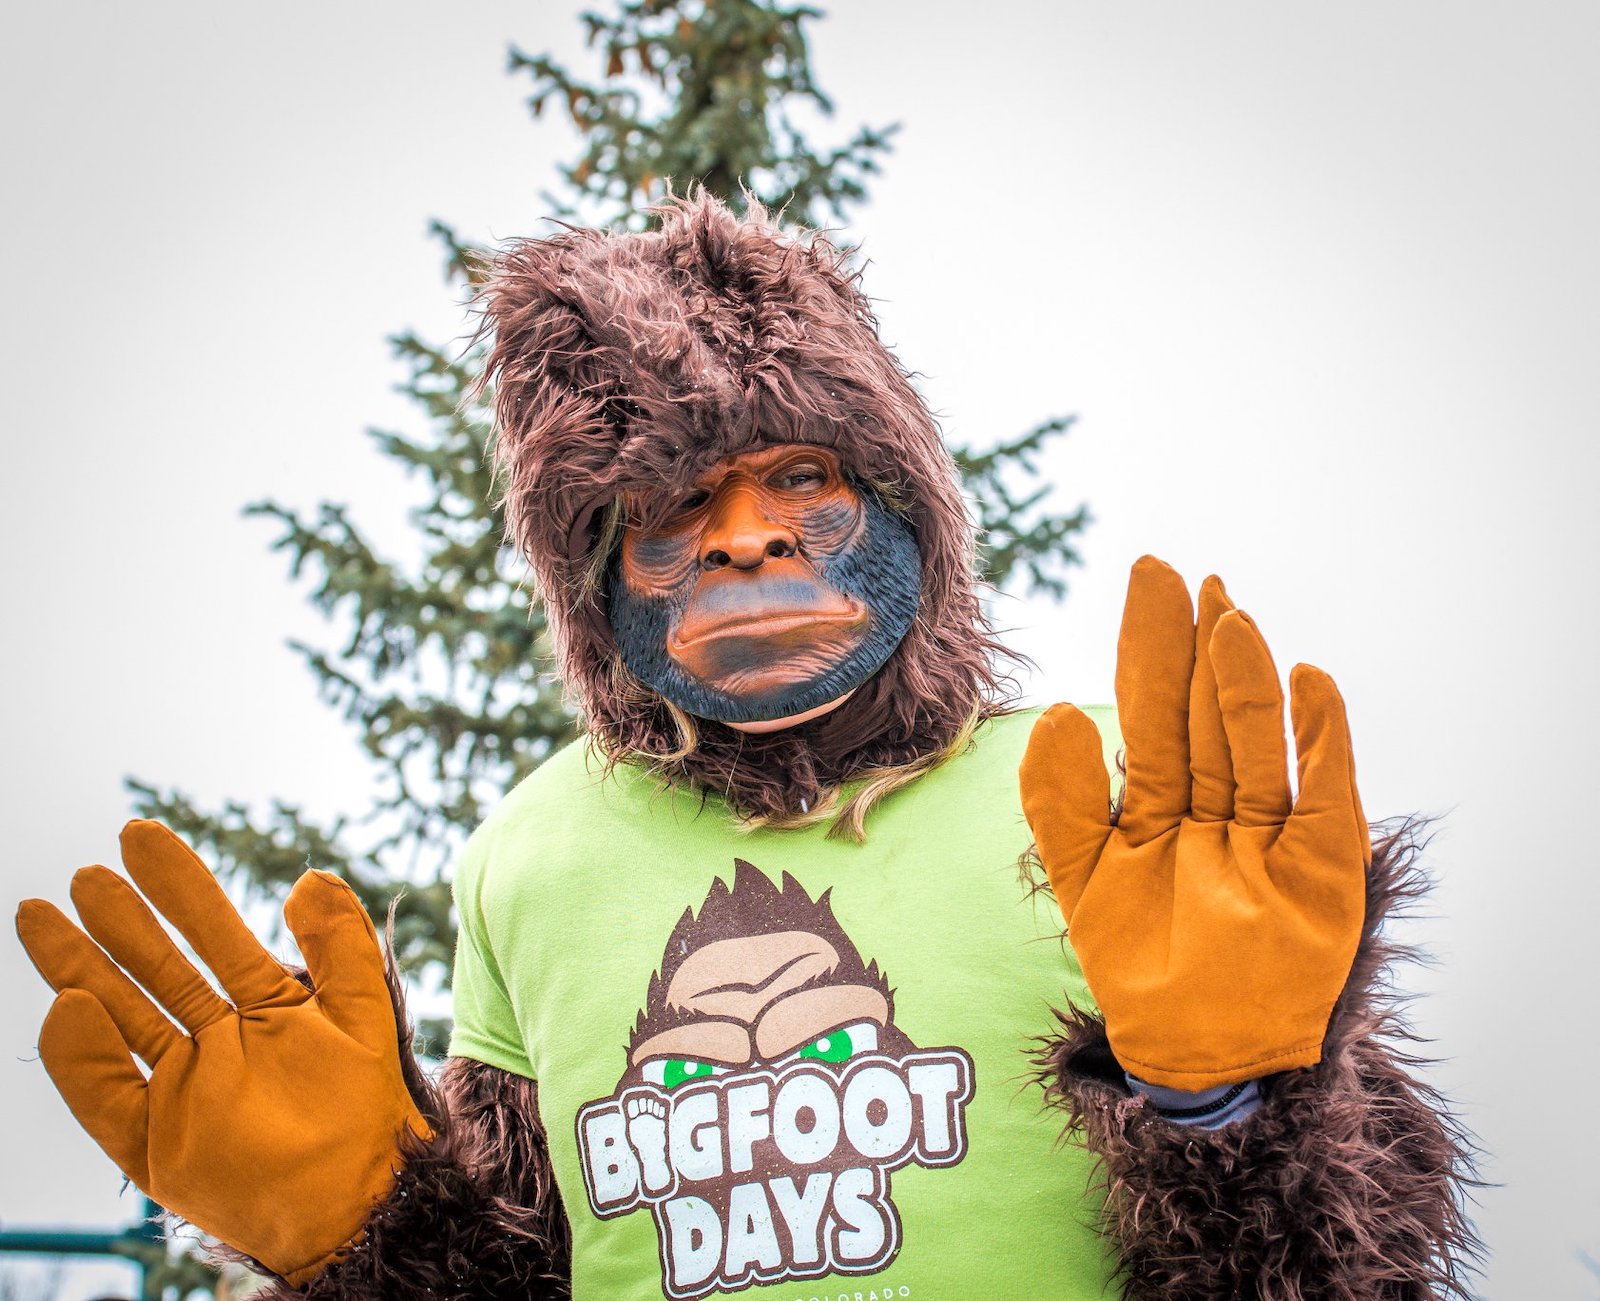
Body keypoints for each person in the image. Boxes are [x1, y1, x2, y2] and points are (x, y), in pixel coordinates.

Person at [15, 194, 1474, 1299]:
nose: (750, 532)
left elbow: (1369, 1271)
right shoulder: (529, 855)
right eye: (672, 510)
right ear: (595, 582)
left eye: (801, 475)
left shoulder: (1118, 798)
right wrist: (366, 1236)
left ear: (904, 503)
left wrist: (1231, 1105)